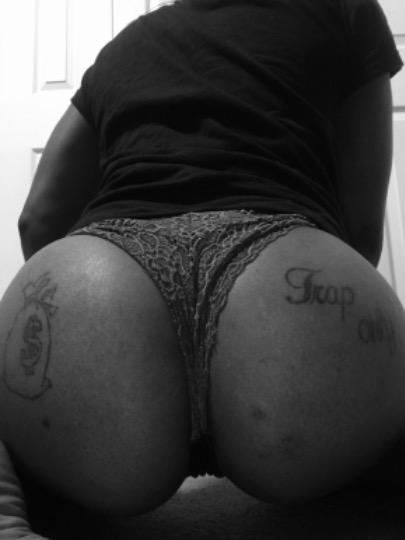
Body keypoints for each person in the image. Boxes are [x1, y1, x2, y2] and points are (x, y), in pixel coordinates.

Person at [1, 0, 405, 536]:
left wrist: (70, 313)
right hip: (287, 279)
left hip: (96, 284)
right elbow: (361, 227)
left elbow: (38, 217)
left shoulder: (126, 45)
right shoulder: (343, 8)